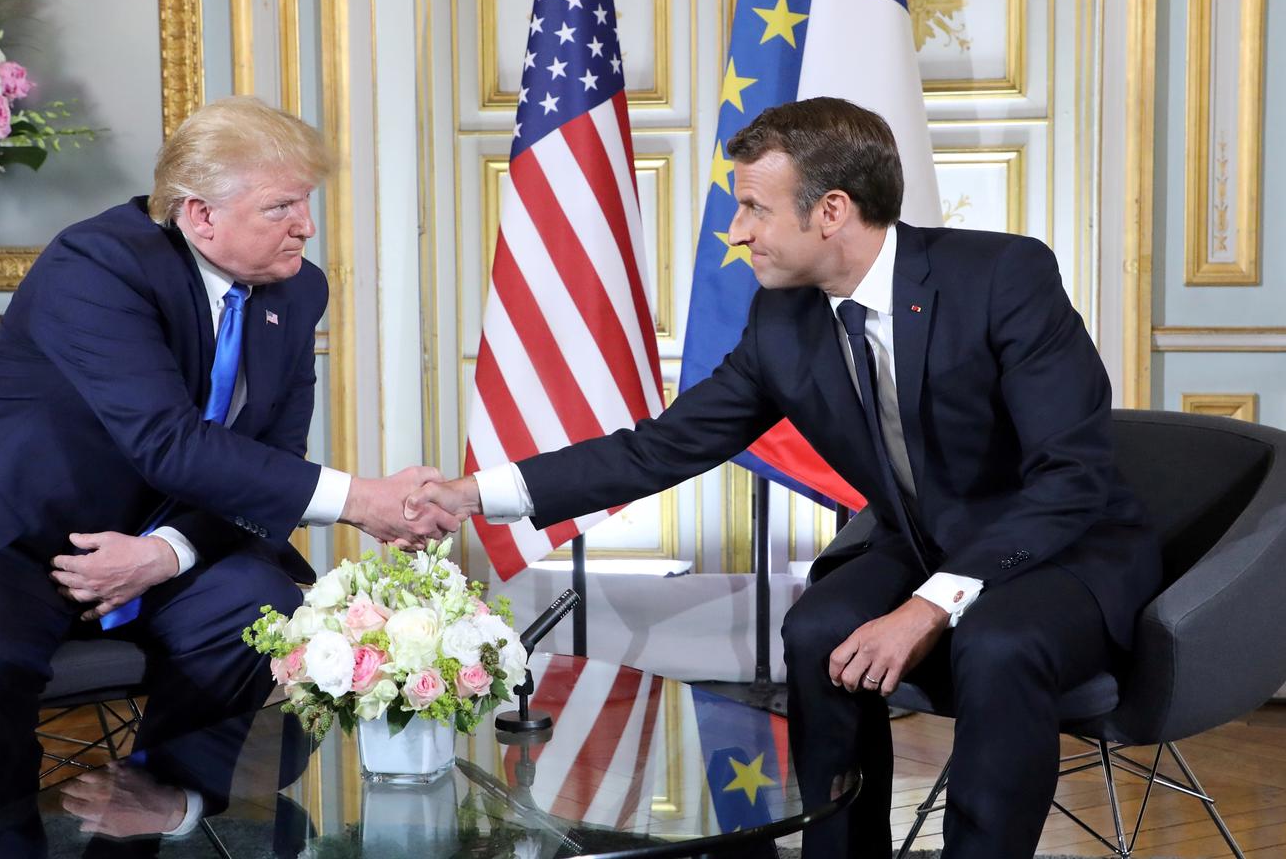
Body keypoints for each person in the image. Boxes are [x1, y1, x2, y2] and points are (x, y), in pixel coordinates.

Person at [406, 96, 1161, 859]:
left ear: (831, 210)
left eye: (754, 209)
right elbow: (658, 449)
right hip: (927, 539)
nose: (737, 232)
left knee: (996, 643)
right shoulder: (783, 322)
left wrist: (928, 606)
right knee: (816, 629)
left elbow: (1071, 479)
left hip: (1064, 548)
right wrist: (475, 495)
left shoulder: (1002, 276)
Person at [0, 95, 459, 857]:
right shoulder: (97, 266)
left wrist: (167, 553)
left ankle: (156, 812)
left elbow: (273, 456)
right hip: (10, 532)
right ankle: (5, 832)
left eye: (306, 203)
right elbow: (166, 441)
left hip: (157, 532)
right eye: (281, 207)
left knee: (260, 604)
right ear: (200, 215)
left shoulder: (297, 289)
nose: (306, 227)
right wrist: (362, 501)